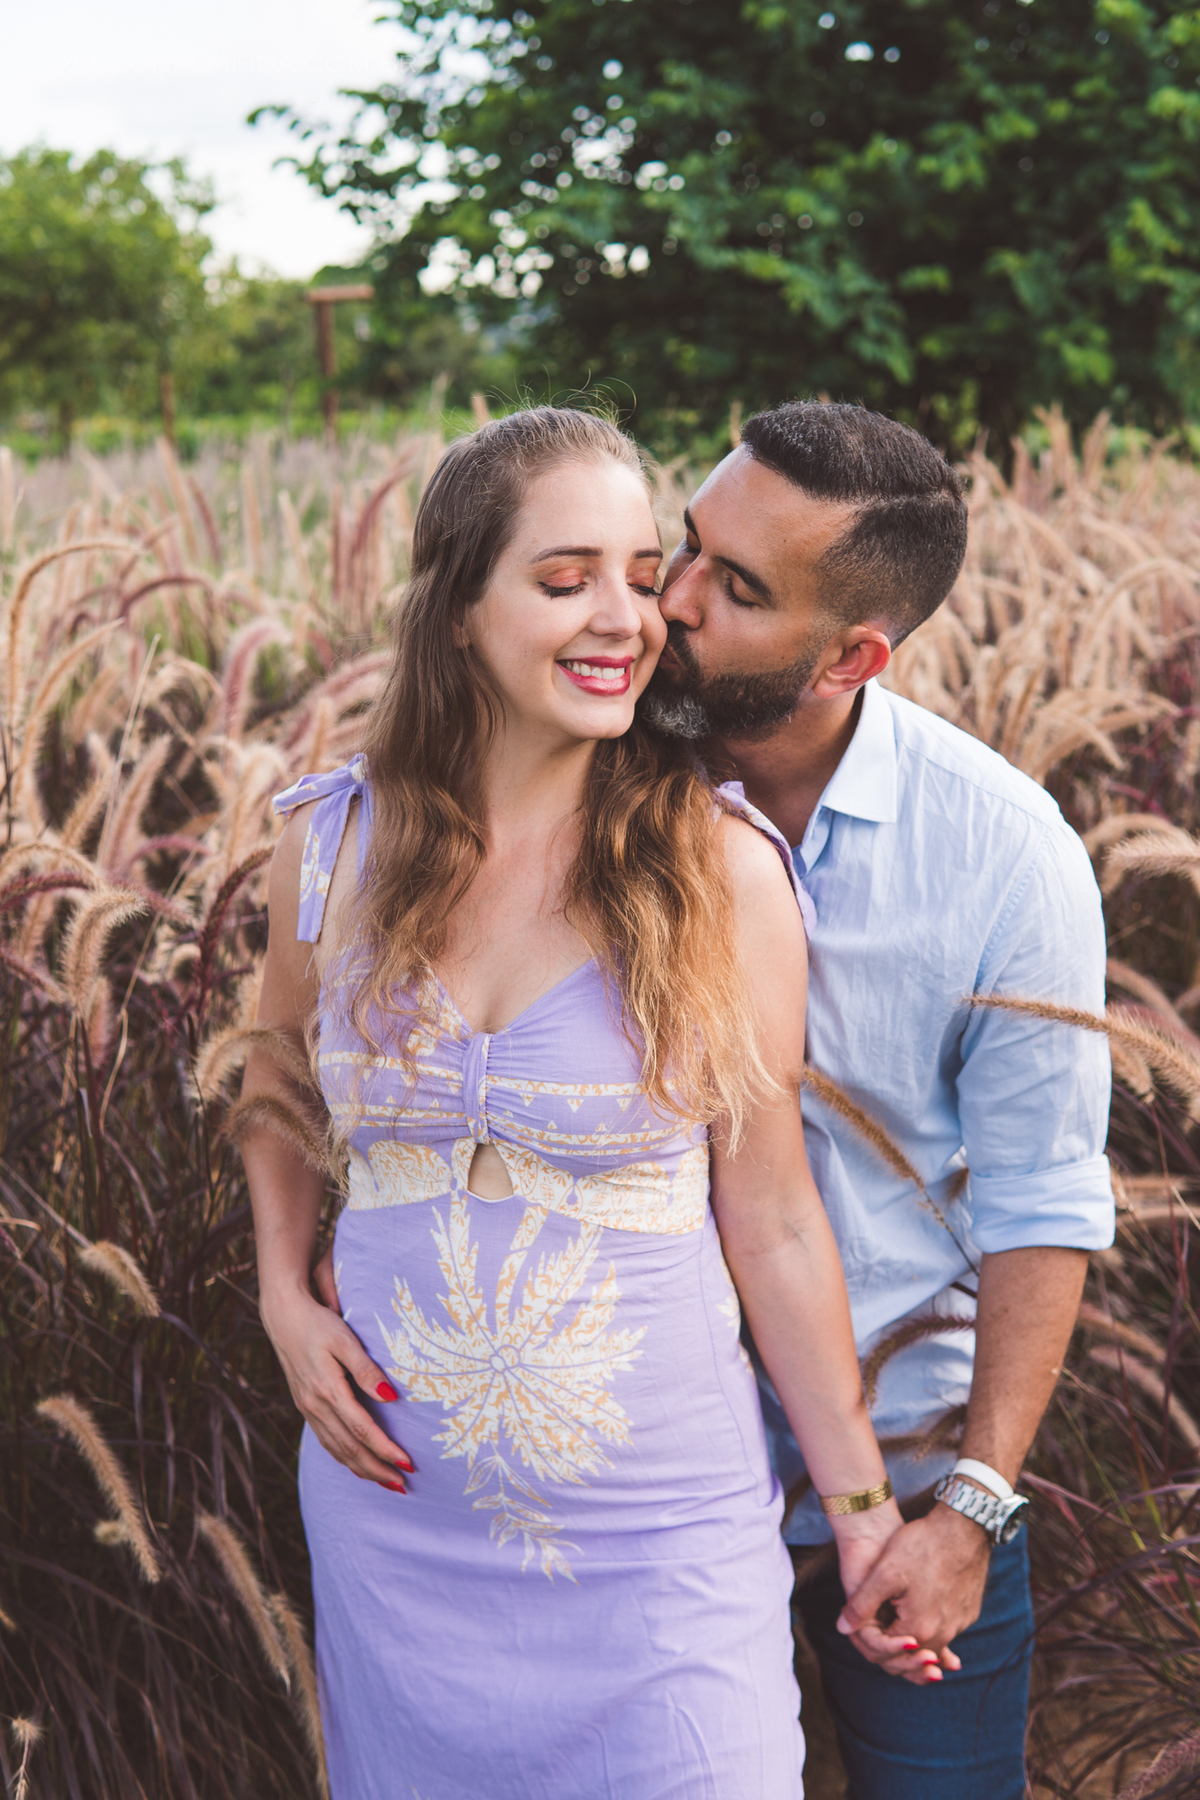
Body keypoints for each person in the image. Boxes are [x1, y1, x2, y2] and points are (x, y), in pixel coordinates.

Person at [239, 407, 920, 1800]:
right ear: (458, 610)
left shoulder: (716, 871)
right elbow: (273, 1083)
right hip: (396, 1525)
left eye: (638, 568)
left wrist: (861, 1514)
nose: (627, 616)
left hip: (658, 1542)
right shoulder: (329, 846)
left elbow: (775, 1214)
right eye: (564, 580)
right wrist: (280, 1294)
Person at [643, 399, 1115, 1800]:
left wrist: (971, 1510)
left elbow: (1043, 1199)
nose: (667, 603)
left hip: (911, 1478)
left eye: (735, 590)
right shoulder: (595, 794)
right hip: (646, 1466)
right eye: (687, 548)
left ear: (853, 656)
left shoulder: (1004, 852)